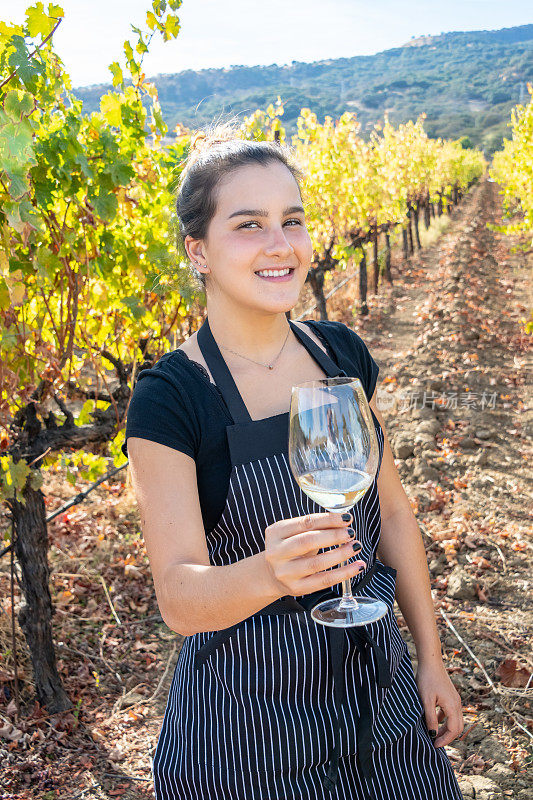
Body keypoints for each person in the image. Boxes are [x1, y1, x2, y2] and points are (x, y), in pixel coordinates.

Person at [122, 122, 465, 800]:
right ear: (199, 251)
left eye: (292, 220)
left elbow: (390, 513)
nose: (280, 245)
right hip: (246, 734)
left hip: (381, 704)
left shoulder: (339, 353)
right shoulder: (172, 398)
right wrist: (269, 573)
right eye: (248, 224)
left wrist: (430, 659)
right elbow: (179, 598)